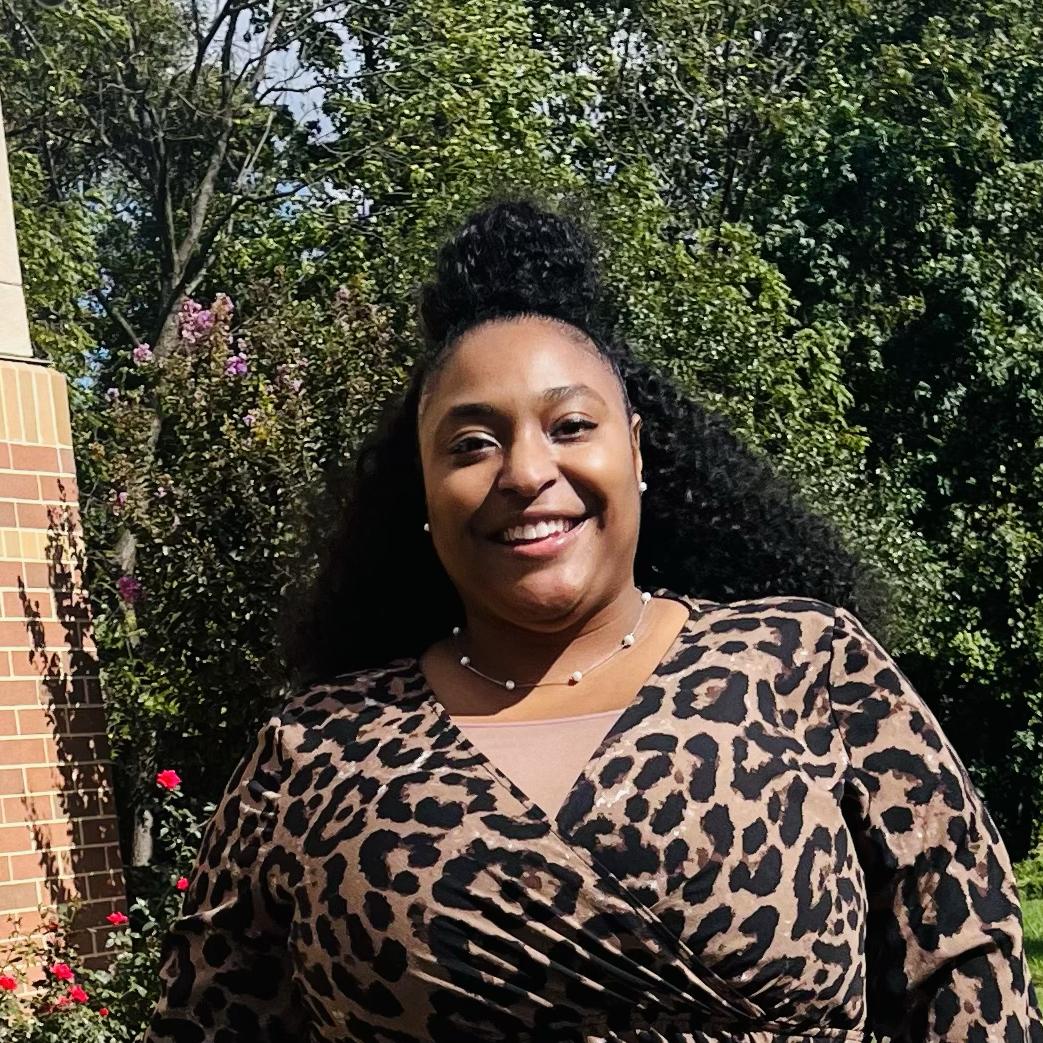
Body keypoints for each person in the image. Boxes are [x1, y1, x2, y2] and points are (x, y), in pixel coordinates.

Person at [144, 198, 1042, 1042]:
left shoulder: (805, 664)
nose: (526, 471)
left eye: (569, 425)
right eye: (471, 443)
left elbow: (970, 978)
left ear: (637, 450)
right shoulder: (316, 751)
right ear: (421, 491)